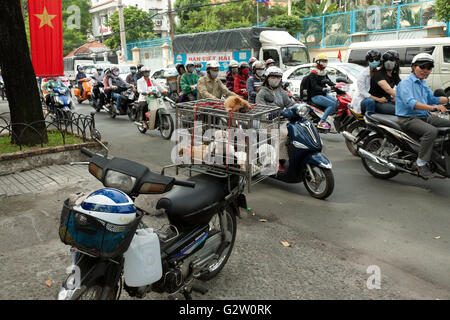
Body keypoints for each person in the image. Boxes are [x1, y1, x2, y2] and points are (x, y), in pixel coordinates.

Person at [395, 53, 450, 178]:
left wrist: (447, 99)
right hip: (408, 118)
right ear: (413, 66)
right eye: (422, 67)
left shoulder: (422, 82)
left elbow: (432, 98)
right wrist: (433, 108)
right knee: (431, 131)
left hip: (423, 116)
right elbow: (411, 104)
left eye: (429, 68)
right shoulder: (405, 83)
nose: (425, 71)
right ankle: (420, 163)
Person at [256, 66, 306, 172]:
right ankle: (277, 161)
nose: (276, 79)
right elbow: (261, 112)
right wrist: (274, 114)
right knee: (283, 134)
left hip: (282, 119)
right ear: (267, 78)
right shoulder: (262, 92)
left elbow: (289, 103)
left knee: (297, 131)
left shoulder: (280, 90)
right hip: (267, 123)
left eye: (278, 77)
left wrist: (299, 107)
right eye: (273, 77)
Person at [307, 54, 338, 129]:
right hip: (315, 95)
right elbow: (314, 86)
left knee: (337, 102)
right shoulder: (313, 72)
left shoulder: (323, 71)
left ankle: (327, 116)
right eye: (323, 61)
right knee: (332, 104)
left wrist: (337, 86)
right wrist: (323, 89)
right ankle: (321, 122)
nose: (324, 63)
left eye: (326, 61)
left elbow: (329, 81)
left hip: (323, 94)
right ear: (318, 62)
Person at [350, 49, 383, 114]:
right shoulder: (363, 75)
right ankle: (370, 120)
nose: (374, 61)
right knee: (370, 102)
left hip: (375, 96)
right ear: (368, 61)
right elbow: (363, 93)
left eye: (376, 59)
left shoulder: (379, 72)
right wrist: (378, 99)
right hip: (363, 99)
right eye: (371, 60)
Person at [368, 50, 401, 115]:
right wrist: (404, 96)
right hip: (378, 102)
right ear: (383, 62)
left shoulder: (394, 75)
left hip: (388, 101)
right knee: (401, 110)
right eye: (386, 60)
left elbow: (403, 86)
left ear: (396, 62)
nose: (388, 62)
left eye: (391, 60)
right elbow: (388, 89)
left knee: (408, 108)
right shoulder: (378, 74)